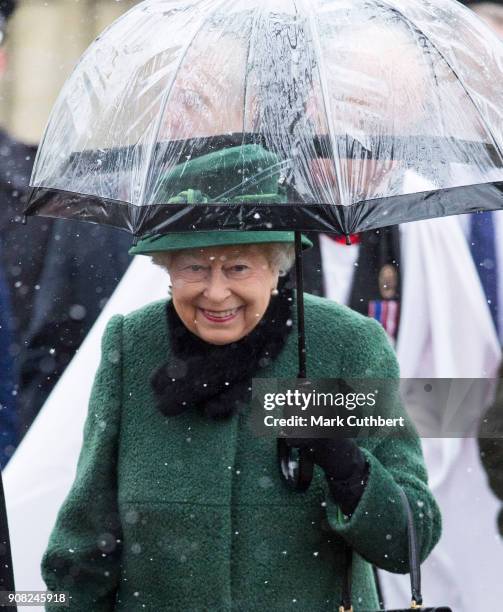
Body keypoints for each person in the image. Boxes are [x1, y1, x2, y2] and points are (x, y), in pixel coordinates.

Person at [41, 146, 441, 611]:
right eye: (194, 267)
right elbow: (84, 545)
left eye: (237, 267)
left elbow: (412, 537)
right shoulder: (133, 344)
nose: (216, 292)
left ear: (276, 267)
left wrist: (346, 465)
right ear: (167, 270)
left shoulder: (347, 346)